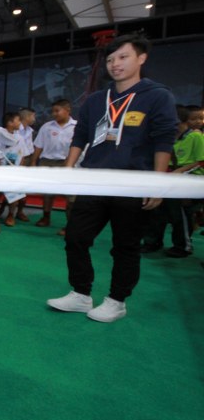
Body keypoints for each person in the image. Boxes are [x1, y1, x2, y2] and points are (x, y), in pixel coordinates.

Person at [47, 33, 177, 323]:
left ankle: (117, 300)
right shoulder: (96, 99)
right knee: (76, 237)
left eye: (123, 57)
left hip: (133, 183)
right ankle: (81, 293)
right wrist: (68, 170)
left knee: (125, 246)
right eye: (110, 59)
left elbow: (164, 140)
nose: (115, 64)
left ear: (141, 58)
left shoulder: (158, 96)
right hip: (94, 180)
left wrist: (158, 183)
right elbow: (80, 136)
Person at [141, 105, 204, 257]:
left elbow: (201, 161)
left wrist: (179, 171)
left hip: (184, 181)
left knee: (179, 215)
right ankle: (152, 242)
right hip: (165, 177)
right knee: (156, 212)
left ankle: (183, 246)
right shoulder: (165, 137)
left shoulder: (195, 137)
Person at [31, 99, 77, 234]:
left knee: (71, 195)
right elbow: (39, 145)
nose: (54, 114)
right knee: (47, 193)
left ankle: (70, 224)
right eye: (53, 111)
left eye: (57, 111)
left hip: (67, 163)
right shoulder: (47, 127)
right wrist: (33, 162)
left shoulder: (77, 126)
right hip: (47, 162)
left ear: (68, 110)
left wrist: (71, 162)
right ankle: (46, 217)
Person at [15, 107, 37, 221]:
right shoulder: (15, 128)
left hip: (27, 159)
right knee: (14, 186)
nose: (34, 119)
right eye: (33, 116)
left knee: (24, 187)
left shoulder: (30, 130)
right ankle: (6, 210)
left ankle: (20, 211)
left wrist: (32, 161)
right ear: (27, 116)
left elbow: (30, 148)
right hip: (16, 159)